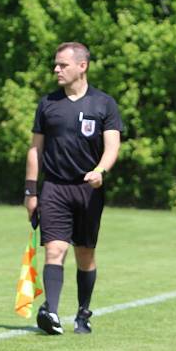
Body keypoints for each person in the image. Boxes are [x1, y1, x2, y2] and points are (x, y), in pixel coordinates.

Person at [24, 42, 122, 335]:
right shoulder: (48, 104)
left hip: (88, 191)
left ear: (82, 66)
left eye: (62, 65)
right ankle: (50, 312)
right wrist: (30, 192)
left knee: (85, 254)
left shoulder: (104, 104)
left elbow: (113, 145)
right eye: (55, 65)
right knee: (54, 250)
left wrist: (100, 171)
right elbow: (35, 150)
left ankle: (83, 312)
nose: (56, 69)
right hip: (54, 188)